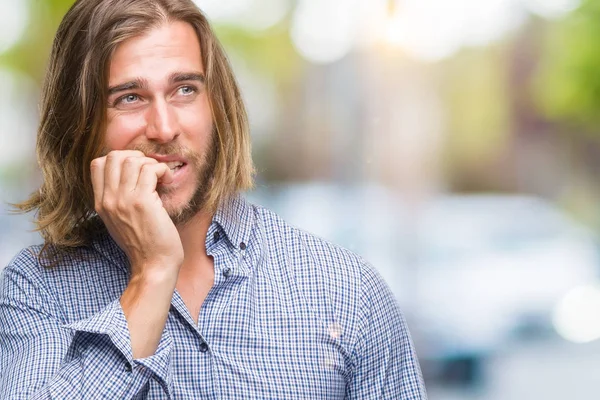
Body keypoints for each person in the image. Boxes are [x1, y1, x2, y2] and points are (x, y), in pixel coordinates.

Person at [0, 0, 427, 398]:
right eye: (129, 98)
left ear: (218, 107)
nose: (164, 128)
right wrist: (152, 274)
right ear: (80, 126)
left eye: (185, 89)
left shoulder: (346, 291)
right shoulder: (35, 291)